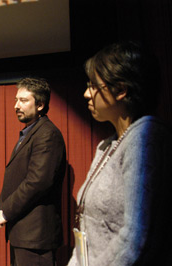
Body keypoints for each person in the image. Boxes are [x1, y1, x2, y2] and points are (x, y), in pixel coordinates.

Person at [68, 41, 172, 266]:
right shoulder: (107, 145)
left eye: (94, 86)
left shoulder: (146, 136)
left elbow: (135, 241)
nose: (87, 94)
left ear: (121, 90)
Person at [0, 78, 66, 266]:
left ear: (40, 104)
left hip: (35, 235)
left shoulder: (47, 134)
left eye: (24, 100)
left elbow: (38, 181)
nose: (16, 105)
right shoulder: (31, 132)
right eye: (16, 100)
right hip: (23, 232)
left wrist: (6, 211)